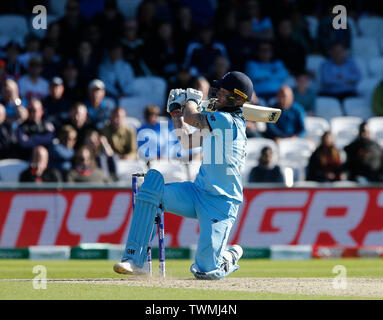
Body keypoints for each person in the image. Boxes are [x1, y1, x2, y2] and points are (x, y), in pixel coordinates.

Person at [114, 71, 252, 280]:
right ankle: (134, 259)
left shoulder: (227, 121)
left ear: (236, 98)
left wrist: (191, 101)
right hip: (197, 192)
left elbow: (191, 117)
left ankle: (229, 257)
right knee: (151, 190)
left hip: (222, 202)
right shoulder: (218, 121)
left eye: (222, 93)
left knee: (206, 271)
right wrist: (176, 113)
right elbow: (187, 141)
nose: (217, 96)